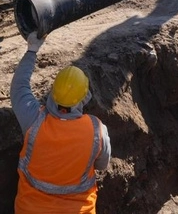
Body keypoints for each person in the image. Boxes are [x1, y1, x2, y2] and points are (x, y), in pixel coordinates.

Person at [11, 32, 111, 213]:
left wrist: (32, 49)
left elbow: (19, 86)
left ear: (52, 92)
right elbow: (102, 165)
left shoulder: (33, 119)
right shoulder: (97, 131)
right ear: (84, 98)